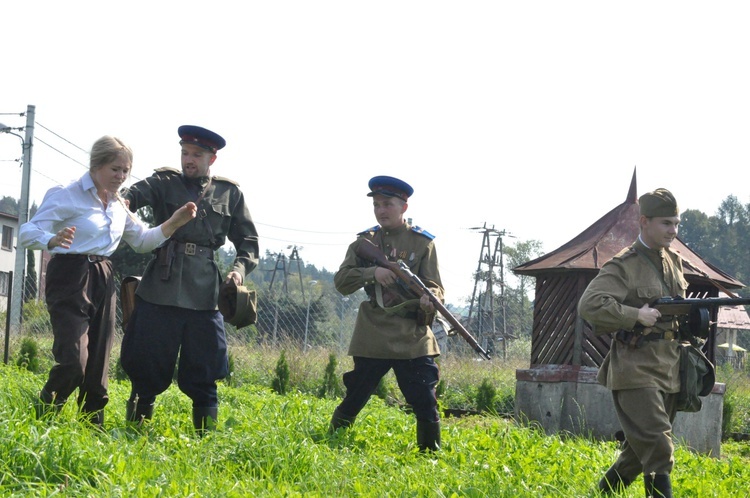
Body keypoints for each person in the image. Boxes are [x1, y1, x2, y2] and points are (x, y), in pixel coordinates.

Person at [19, 135, 197, 426]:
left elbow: (141, 240)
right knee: (75, 360)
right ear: (96, 165)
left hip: (103, 275)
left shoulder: (118, 205)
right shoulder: (66, 194)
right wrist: (51, 239)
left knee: (100, 359)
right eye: (115, 169)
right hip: (69, 275)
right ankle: (44, 416)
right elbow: (27, 232)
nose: (121, 176)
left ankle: (92, 425)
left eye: (126, 170)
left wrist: (174, 223)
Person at [120, 125, 259, 434]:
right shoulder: (163, 182)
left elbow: (249, 242)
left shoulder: (229, 193)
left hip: (206, 294)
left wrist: (238, 270)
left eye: (197, 155)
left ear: (213, 158)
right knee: (147, 363)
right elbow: (125, 199)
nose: (189, 160)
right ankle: (136, 430)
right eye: (185, 153)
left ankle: (205, 440)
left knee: (205, 368)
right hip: (160, 287)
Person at [578, 188, 686, 498]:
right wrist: (635, 314)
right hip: (634, 367)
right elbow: (590, 304)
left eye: (677, 224)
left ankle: (602, 493)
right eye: (666, 224)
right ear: (644, 222)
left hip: (669, 366)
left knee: (638, 453)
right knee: (658, 445)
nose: (673, 231)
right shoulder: (623, 265)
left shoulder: (674, 262)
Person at [329, 175, 444, 452]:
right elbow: (341, 282)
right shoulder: (364, 243)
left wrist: (432, 299)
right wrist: (373, 272)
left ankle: (431, 452)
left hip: (411, 334)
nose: (381, 210)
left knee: (424, 397)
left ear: (404, 207)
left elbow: (435, 286)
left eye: (388, 204)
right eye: (377, 204)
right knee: (357, 393)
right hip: (374, 331)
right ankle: (332, 440)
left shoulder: (422, 242)